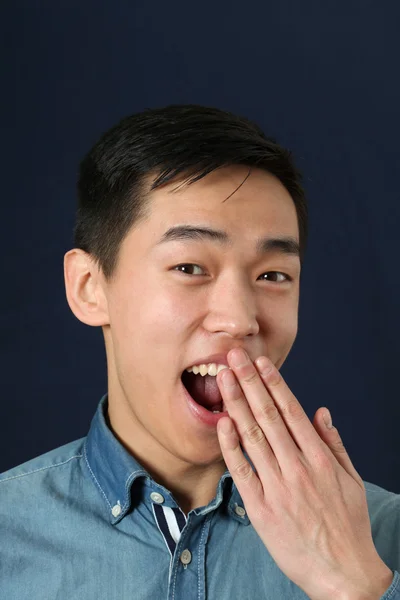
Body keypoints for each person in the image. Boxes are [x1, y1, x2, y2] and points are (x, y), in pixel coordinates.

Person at [1, 105, 399, 599]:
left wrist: (354, 584)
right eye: (190, 267)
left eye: (273, 276)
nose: (239, 320)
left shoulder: (385, 540)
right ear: (89, 286)